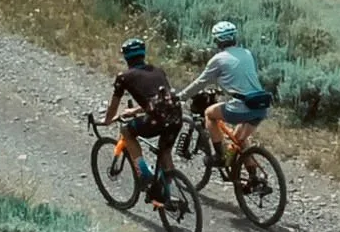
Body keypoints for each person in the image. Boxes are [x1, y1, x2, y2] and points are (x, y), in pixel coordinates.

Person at [101, 37, 182, 205]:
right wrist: (136, 110)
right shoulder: (158, 70)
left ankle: (144, 174)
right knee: (165, 151)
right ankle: (166, 191)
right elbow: (161, 100)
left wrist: (107, 120)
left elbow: (114, 104)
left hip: (156, 119)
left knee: (126, 131)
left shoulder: (123, 77)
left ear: (126, 58)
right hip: (176, 116)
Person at [178, 20, 272, 162]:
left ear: (217, 40)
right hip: (260, 107)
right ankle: (252, 177)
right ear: (234, 37)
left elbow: (201, 82)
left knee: (209, 114)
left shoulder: (218, 59)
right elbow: (240, 76)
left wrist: (182, 96)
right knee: (239, 141)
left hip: (241, 107)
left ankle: (219, 156)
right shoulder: (247, 53)